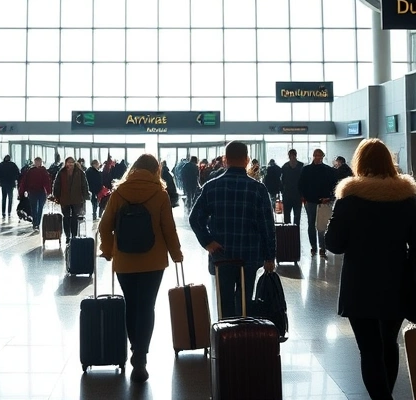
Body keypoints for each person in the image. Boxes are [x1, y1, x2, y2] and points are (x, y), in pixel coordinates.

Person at [324, 138, 416, 400]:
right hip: (397, 281)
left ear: (358, 163)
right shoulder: (404, 199)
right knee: (389, 344)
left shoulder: (349, 199)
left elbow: (334, 245)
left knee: (369, 350)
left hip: (359, 283)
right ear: (388, 162)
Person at [99, 154, 184, 383]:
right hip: (153, 261)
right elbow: (169, 229)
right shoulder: (160, 194)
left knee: (131, 304)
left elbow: (104, 226)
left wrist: (108, 251)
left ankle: (134, 346)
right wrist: (176, 255)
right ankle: (140, 356)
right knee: (146, 306)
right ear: (156, 170)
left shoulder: (119, 193)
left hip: (124, 260)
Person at [189, 141, 275, 319]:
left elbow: (195, 218)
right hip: (249, 255)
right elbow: (267, 226)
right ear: (247, 160)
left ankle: (226, 337)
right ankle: (242, 335)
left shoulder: (211, 186)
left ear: (225, 159)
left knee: (224, 300)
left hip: (221, 254)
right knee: (244, 300)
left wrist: (208, 242)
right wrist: (269, 256)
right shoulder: (258, 189)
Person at [298, 149, 337, 258]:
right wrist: (304, 198)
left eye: (320, 155)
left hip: (324, 201)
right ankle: (314, 246)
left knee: (322, 225)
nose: (318, 157)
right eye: (316, 155)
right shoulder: (306, 170)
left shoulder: (328, 170)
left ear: (323, 157)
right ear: (313, 156)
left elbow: (334, 186)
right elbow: (301, 185)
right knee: (311, 224)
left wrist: (330, 198)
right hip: (310, 201)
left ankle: (322, 247)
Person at [52, 156, 89, 245]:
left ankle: (74, 235)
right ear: (66, 163)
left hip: (76, 199)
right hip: (65, 198)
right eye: (69, 162)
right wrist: (56, 195)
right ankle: (68, 235)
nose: (70, 164)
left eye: (72, 162)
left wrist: (85, 196)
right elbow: (57, 184)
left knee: (75, 217)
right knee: (66, 217)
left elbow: (84, 185)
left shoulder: (80, 173)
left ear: (74, 163)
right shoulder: (61, 172)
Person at [19, 157, 52, 232]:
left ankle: (36, 223)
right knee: (36, 208)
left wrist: (48, 191)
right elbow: (25, 182)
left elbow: (46, 181)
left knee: (38, 208)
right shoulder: (38, 171)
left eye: (38, 162)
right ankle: (36, 223)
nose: (37, 164)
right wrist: (23, 191)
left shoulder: (34, 171)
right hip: (36, 192)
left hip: (37, 192)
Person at [280, 149, 304, 228]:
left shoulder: (285, 166)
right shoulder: (301, 166)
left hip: (288, 194)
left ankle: (289, 235)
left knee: (287, 216)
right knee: (296, 217)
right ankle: (295, 234)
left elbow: (282, 181)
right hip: (297, 195)